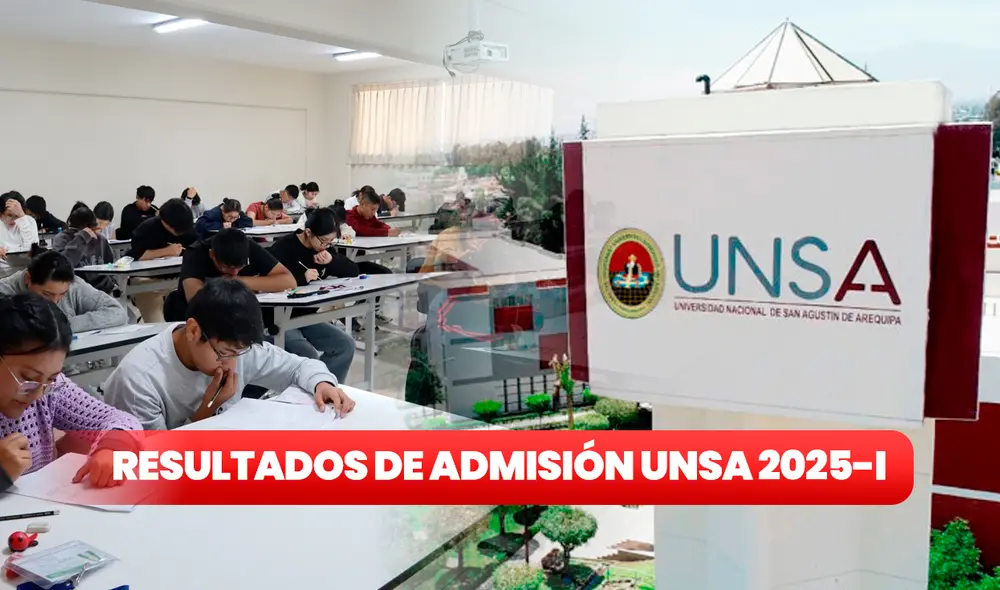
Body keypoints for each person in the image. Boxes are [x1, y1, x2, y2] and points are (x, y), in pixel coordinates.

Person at [103, 278, 355, 430]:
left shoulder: (236, 347)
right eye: (223, 353)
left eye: (239, 352)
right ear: (193, 330)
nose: (232, 363)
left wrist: (322, 383)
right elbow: (156, 461)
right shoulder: (139, 380)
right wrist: (209, 409)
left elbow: (299, 367)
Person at [0, 292, 141, 490]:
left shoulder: (50, 391)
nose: (38, 394)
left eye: (50, 378)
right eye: (28, 378)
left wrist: (112, 447)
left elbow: (121, 420)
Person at [268, 209, 359, 382]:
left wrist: (332, 261)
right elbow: (267, 282)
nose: (327, 246)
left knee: (345, 346)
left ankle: (328, 390)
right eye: (324, 241)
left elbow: (353, 271)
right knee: (308, 355)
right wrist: (300, 278)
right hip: (278, 318)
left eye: (331, 242)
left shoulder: (324, 250)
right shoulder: (284, 248)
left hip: (306, 316)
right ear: (308, 232)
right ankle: (310, 393)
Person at [166, 228, 296, 320]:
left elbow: (289, 281)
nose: (234, 272)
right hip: (199, 319)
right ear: (212, 255)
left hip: (241, 316)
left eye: (240, 267)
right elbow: (196, 299)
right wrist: (247, 286)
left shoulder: (247, 246)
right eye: (225, 267)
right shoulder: (195, 253)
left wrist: (237, 281)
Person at [0, 251, 126, 332]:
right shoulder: (4, 292)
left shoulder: (74, 285)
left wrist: (65, 324)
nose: (54, 302)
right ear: (28, 279)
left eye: (62, 294)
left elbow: (117, 312)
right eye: (46, 294)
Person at [127, 198, 195, 323]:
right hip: (147, 279)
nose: (179, 233)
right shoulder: (147, 228)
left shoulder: (187, 228)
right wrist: (168, 251)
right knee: (157, 324)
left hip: (178, 277)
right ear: (165, 221)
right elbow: (136, 255)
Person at [51, 205, 118, 295]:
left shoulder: (101, 239)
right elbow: (62, 266)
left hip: (101, 289)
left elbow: (110, 265)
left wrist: (112, 282)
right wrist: (81, 238)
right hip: (74, 291)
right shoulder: (62, 239)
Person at [0, 192, 40, 278]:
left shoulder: (28, 221)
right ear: (1, 214)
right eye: (10, 215)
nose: (14, 220)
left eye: (17, 216)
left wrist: (22, 217)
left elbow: (32, 247)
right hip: (3, 273)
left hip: (26, 272)